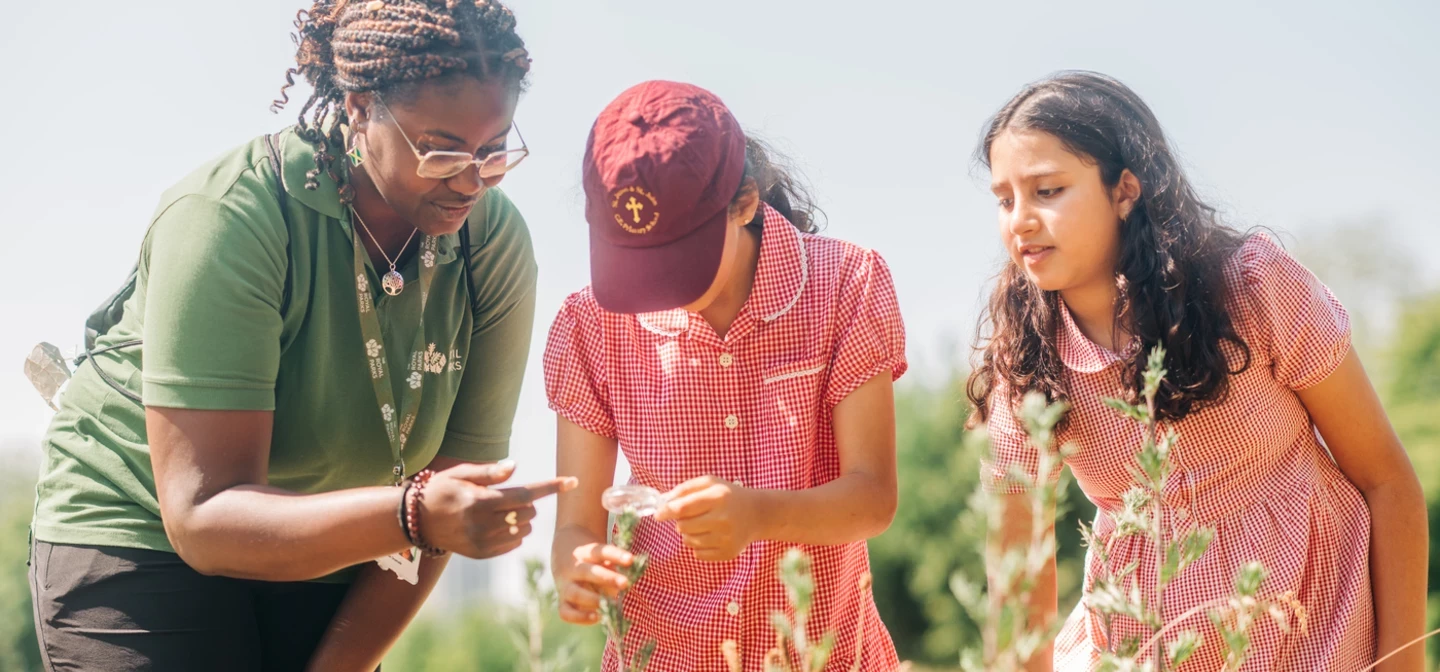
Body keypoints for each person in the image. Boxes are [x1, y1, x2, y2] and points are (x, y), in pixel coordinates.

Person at [27, 1, 571, 670]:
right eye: (441, 149)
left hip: (336, 544)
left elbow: (451, 494)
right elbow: (204, 515)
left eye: (494, 150)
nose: (471, 181)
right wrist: (413, 515)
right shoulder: (231, 216)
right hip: (145, 536)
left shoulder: (492, 244)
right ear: (360, 106)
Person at [971, 71, 1428, 671]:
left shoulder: (1252, 285)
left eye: (1047, 190)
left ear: (1124, 190)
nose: (1021, 220)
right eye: (1005, 200)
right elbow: (1019, 588)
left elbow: (1387, 481)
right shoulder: (1023, 365)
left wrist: (1401, 663)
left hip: (1317, 627)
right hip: (1145, 640)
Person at [544, 80, 906, 671]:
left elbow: (873, 498)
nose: (656, 288)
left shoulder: (846, 285)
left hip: (823, 655)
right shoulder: (589, 324)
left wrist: (758, 514)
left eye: (677, 260)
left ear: (744, 204)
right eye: (637, 264)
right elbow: (578, 527)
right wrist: (576, 567)